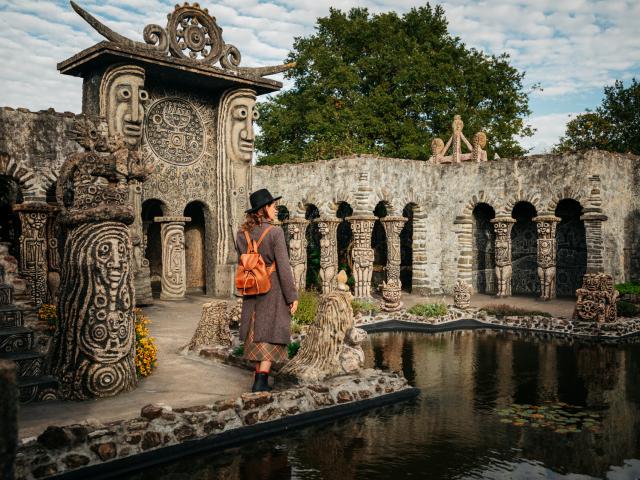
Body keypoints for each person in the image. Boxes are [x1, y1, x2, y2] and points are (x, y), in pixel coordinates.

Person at [236, 188, 299, 392]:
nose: (276, 209)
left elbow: (244, 260)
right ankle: (261, 381)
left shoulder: (241, 234)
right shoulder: (275, 232)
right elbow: (284, 266)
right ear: (264, 209)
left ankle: (258, 377)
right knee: (271, 331)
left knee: (256, 331)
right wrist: (292, 296)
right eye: (273, 206)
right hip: (272, 288)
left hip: (251, 286)